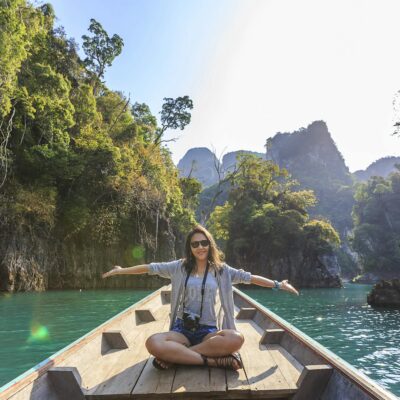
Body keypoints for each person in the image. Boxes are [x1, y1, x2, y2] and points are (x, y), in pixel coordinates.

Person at [102, 225, 299, 371]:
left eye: (204, 242)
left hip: (208, 331)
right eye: (195, 244)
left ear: (210, 244)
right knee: (153, 342)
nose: (200, 247)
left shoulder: (222, 271)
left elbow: (250, 278)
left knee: (235, 338)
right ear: (190, 247)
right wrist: (121, 271)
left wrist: (277, 285)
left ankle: (177, 356)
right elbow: (149, 268)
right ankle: (211, 361)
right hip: (182, 329)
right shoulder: (179, 267)